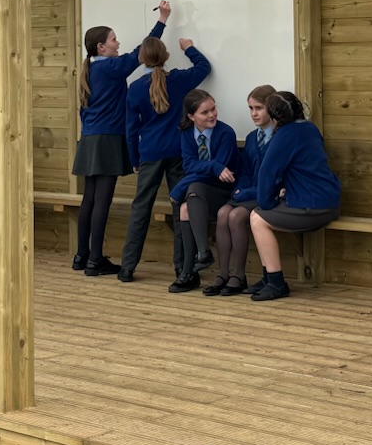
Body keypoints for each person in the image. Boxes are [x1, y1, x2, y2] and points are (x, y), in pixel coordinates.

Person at [72, 3, 169, 277]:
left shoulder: (91, 69)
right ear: (101, 47)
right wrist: (162, 20)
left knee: (89, 199)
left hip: (90, 138)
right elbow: (142, 51)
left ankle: (82, 255)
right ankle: (95, 260)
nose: (118, 44)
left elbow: (83, 110)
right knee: (102, 200)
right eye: (113, 40)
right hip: (107, 139)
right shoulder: (111, 67)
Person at [118, 31, 211, 283]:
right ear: (166, 56)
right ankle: (183, 268)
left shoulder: (135, 89)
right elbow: (204, 67)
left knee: (140, 209)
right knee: (180, 208)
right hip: (178, 152)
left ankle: (127, 267)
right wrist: (189, 48)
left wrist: (135, 160)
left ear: (142, 59)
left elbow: (130, 130)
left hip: (149, 153)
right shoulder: (179, 80)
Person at [246, 91, 341, 302]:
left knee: (257, 218)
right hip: (328, 201)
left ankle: (276, 282)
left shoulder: (285, 134)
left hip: (312, 207)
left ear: (274, 116)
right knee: (260, 215)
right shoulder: (309, 128)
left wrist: (266, 202)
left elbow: (267, 173)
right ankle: (267, 278)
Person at [207, 84, 275, 297]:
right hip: (248, 192)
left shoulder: (280, 137)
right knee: (222, 213)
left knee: (236, 216)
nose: (254, 114)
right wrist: (239, 190)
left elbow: (274, 180)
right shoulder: (253, 138)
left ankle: (239, 274)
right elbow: (245, 171)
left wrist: (244, 194)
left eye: (259, 108)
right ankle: (223, 273)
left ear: (271, 108)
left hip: (267, 195)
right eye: (250, 108)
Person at [167, 89, 237, 294]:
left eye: (213, 108)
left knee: (191, 190)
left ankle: (190, 269)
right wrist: (214, 167)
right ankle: (197, 260)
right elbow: (189, 166)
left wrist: (182, 185)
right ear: (191, 116)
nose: (212, 114)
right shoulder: (186, 133)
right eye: (205, 112)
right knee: (186, 207)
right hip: (201, 191)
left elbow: (221, 170)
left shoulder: (226, 133)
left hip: (224, 190)